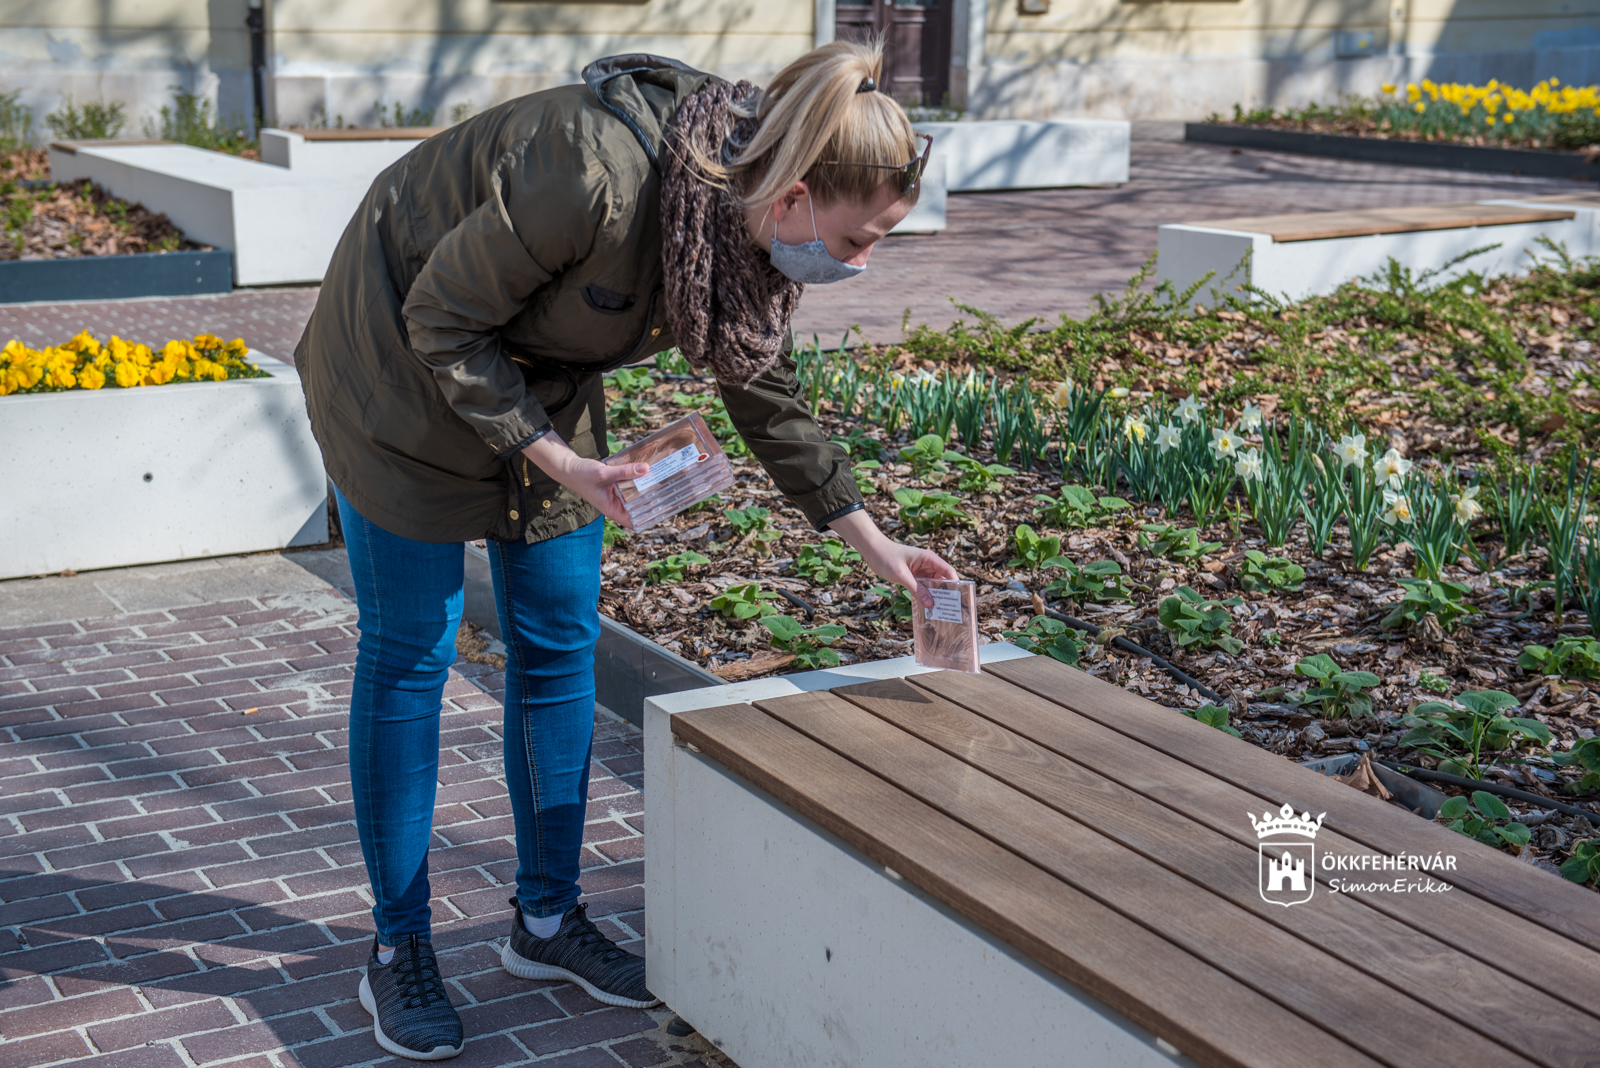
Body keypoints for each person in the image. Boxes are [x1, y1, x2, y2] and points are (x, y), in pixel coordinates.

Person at [294, 40, 957, 1061]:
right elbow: (442, 318)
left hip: (537, 385)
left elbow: (757, 382)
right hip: (397, 369)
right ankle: (398, 945)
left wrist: (870, 539)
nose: (858, 264)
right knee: (410, 655)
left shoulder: (737, 229)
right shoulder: (593, 173)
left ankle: (547, 922)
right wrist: (562, 461)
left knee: (558, 638)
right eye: (858, 239)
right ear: (787, 199)